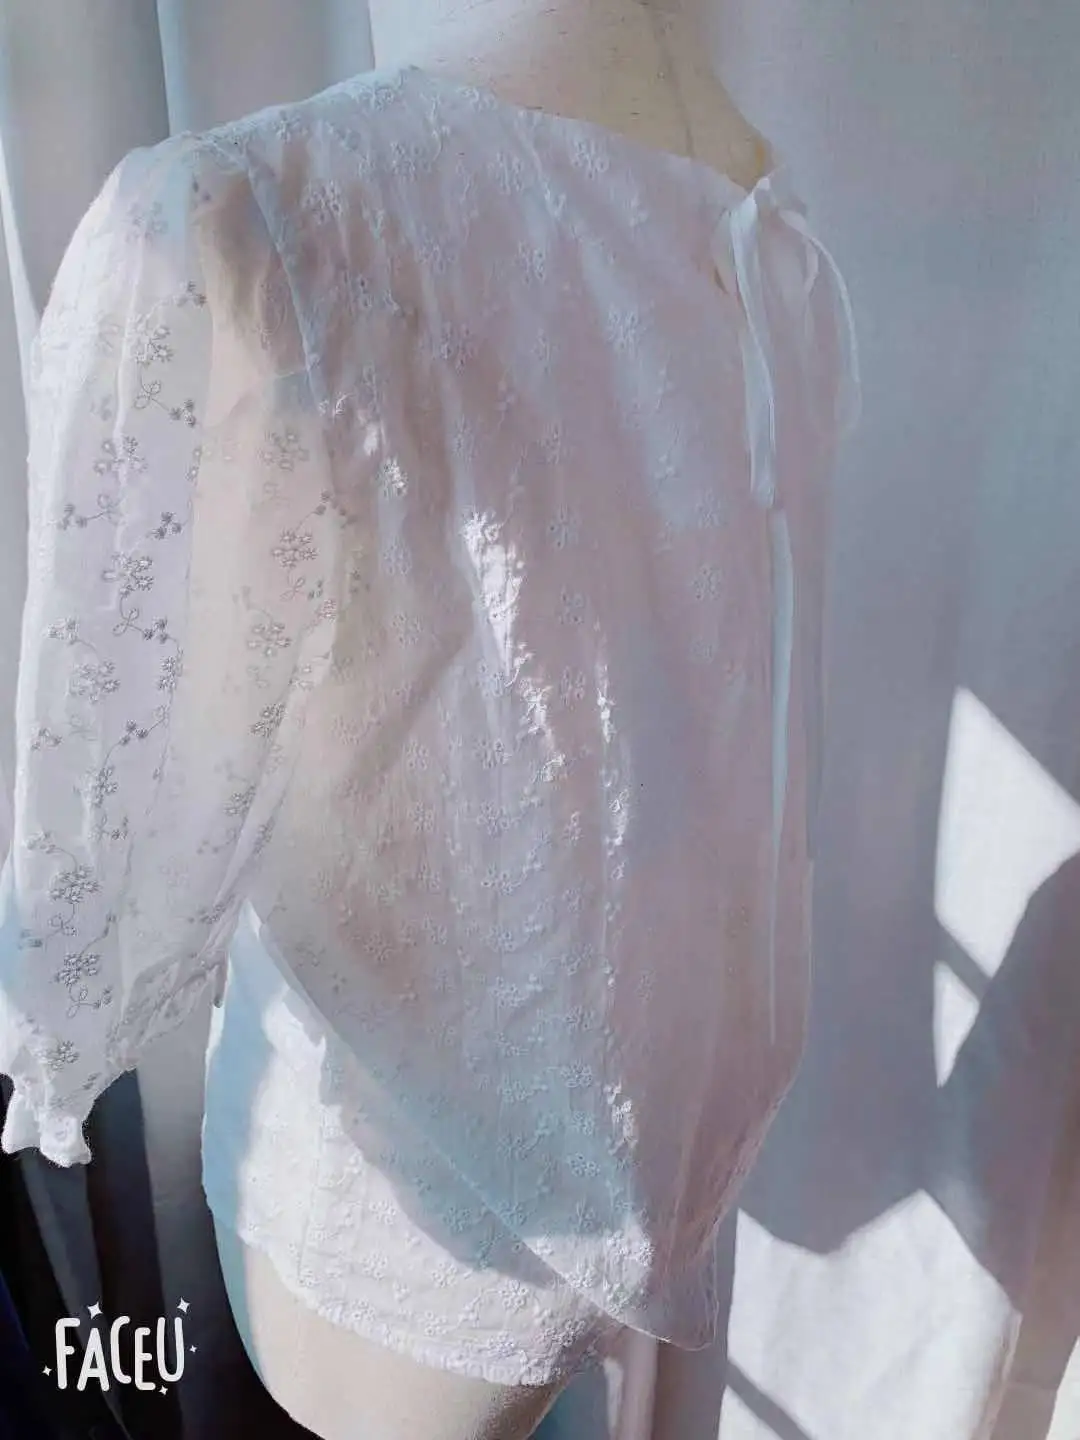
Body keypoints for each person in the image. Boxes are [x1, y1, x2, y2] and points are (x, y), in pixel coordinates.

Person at [0, 3, 858, 1437]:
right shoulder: (267, 223)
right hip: (472, 1216)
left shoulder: (262, 218)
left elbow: (106, 883)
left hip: (503, 1211)